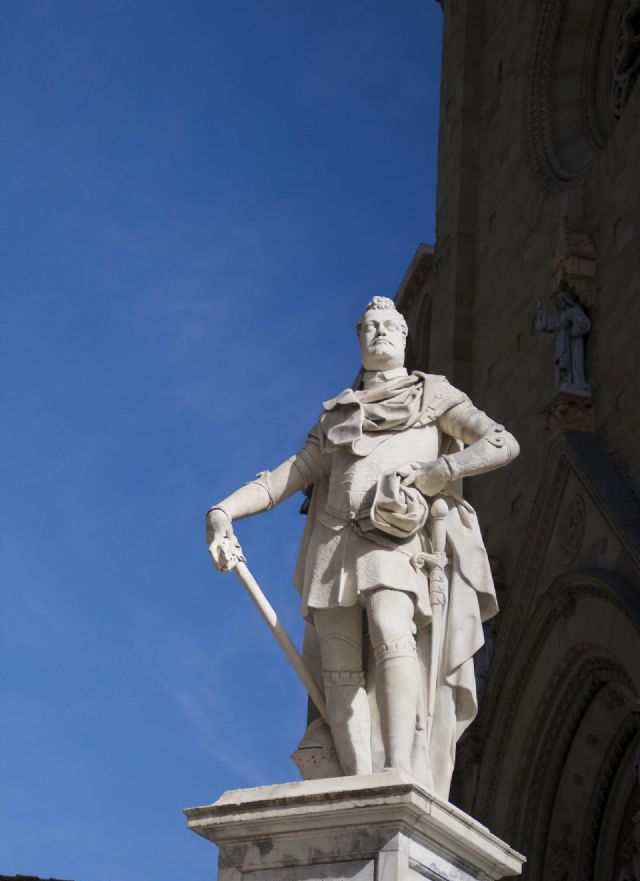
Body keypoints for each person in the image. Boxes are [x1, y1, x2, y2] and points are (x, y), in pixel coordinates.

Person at [206, 296, 519, 798]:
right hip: (334, 544)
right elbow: (286, 477)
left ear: (403, 336)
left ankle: (398, 771)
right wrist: (223, 511)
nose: (379, 334)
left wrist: (444, 471)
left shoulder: (433, 396)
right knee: (340, 666)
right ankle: (359, 781)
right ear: (359, 340)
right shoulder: (337, 415)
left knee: (392, 631)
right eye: (369, 328)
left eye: (388, 327)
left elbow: (502, 443)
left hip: (394, 540)